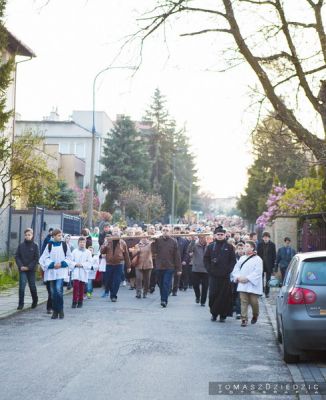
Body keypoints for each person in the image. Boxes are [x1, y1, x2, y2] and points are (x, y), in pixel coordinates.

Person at [204, 225, 236, 322]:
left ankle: (223, 315)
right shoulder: (210, 247)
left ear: (225, 235)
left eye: (222, 234)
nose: (220, 236)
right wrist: (209, 269)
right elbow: (206, 259)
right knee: (213, 295)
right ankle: (214, 313)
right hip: (213, 276)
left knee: (224, 296)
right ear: (215, 235)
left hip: (225, 276)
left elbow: (232, 261)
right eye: (218, 234)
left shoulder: (230, 247)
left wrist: (228, 270)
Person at [39, 228, 72, 319]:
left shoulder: (64, 245)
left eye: (61, 235)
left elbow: (69, 257)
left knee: (58, 290)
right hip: (51, 272)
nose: (60, 237)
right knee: (53, 293)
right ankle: (55, 311)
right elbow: (43, 258)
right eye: (58, 235)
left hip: (61, 271)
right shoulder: (49, 245)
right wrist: (52, 264)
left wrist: (62, 264)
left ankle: (60, 310)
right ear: (53, 236)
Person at [232, 241, 263, 327]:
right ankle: (244, 319)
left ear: (252, 248)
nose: (245, 248)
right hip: (242, 283)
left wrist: (248, 278)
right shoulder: (242, 258)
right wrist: (238, 277)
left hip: (252, 284)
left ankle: (255, 315)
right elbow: (236, 268)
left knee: (254, 302)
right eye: (245, 246)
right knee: (243, 301)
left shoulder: (258, 259)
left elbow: (258, 272)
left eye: (247, 246)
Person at [151, 226, 182, 308]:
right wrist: (153, 241)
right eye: (163, 230)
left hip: (169, 266)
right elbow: (153, 252)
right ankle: (164, 295)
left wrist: (179, 268)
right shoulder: (158, 240)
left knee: (166, 283)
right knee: (161, 284)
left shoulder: (174, 241)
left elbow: (177, 256)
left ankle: (164, 300)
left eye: (167, 230)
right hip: (159, 266)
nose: (165, 232)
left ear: (170, 232)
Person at [100, 226, 131, 302]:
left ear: (120, 233)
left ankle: (114, 295)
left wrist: (128, 266)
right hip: (109, 264)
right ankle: (111, 293)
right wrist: (105, 245)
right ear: (112, 233)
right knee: (108, 281)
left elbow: (126, 255)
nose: (116, 232)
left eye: (117, 231)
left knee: (117, 281)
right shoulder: (108, 240)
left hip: (119, 264)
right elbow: (102, 252)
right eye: (114, 231)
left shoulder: (122, 242)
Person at [15, 228, 39, 310]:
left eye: (29, 235)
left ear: (32, 235)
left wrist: (28, 267)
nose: (27, 236)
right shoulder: (21, 245)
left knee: (32, 286)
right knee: (22, 286)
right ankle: (21, 304)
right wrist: (21, 266)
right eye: (26, 235)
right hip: (22, 269)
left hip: (31, 270)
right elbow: (17, 256)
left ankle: (35, 301)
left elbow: (36, 259)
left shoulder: (35, 246)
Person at [70, 237, 92, 308]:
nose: (82, 243)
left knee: (82, 287)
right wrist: (75, 264)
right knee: (76, 286)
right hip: (76, 270)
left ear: (85, 243)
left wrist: (82, 265)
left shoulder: (88, 252)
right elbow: (70, 260)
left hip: (83, 270)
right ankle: (74, 301)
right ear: (78, 243)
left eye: (83, 242)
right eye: (80, 242)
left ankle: (80, 301)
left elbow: (89, 262)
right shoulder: (74, 251)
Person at [130, 233, 153, 299]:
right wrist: (135, 251)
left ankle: (145, 292)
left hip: (148, 264)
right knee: (139, 279)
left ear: (147, 237)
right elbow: (133, 254)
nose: (144, 238)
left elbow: (155, 250)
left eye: (145, 237)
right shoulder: (137, 245)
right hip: (138, 264)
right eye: (143, 237)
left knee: (147, 280)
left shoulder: (151, 244)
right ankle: (138, 293)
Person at [187, 234, 208, 306]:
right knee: (195, 285)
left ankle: (203, 301)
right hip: (196, 269)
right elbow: (189, 250)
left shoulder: (209, 246)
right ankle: (197, 296)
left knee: (205, 287)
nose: (202, 239)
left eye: (204, 237)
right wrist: (192, 240)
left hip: (206, 270)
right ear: (198, 238)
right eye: (201, 238)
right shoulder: (195, 245)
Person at [257, 232, 276, 298]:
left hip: (269, 265)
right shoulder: (259, 244)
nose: (265, 238)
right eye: (264, 237)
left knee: (268, 279)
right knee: (260, 278)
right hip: (261, 264)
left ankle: (267, 292)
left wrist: (273, 265)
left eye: (267, 237)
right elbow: (258, 255)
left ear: (269, 238)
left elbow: (274, 255)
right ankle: (261, 291)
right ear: (262, 238)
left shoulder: (272, 245)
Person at [172, 226, 189, 295]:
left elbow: (186, 252)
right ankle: (169, 289)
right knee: (170, 276)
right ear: (173, 231)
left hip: (179, 261)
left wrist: (184, 260)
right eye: (175, 230)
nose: (177, 232)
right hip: (170, 261)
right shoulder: (170, 240)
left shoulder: (184, 241)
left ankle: (175, 290)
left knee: (177, 276)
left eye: (178, 231)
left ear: (180, 232)